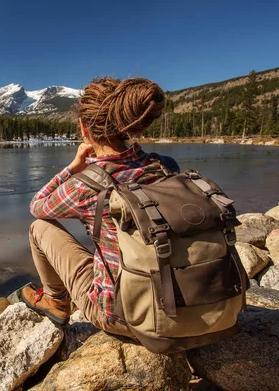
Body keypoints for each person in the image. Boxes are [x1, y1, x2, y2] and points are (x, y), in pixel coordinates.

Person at [21, 77, 180, 337]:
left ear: (84, 128)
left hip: (124, 316)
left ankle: (56, 301)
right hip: (181, 299)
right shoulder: (166, 165)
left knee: (38, 227)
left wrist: (73, 169)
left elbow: (37, 206)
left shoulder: (88, 184)